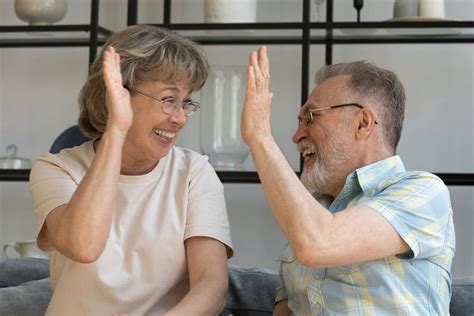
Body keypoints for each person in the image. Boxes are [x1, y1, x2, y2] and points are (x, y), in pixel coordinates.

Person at [29, 25, 233, 315]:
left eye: (186, 102)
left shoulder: (194, 173)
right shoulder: (57, 168)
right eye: (168, 100)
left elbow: (211, 286)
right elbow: (83, 246)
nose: (180, 118)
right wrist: (116, 129)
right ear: (117, 96)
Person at [241, 47, 455, 315]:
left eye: (311, 117)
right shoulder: (310, 212)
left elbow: (318, 243)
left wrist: (260, 136)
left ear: (363, 123)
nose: (296, 135)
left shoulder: (423, 192)